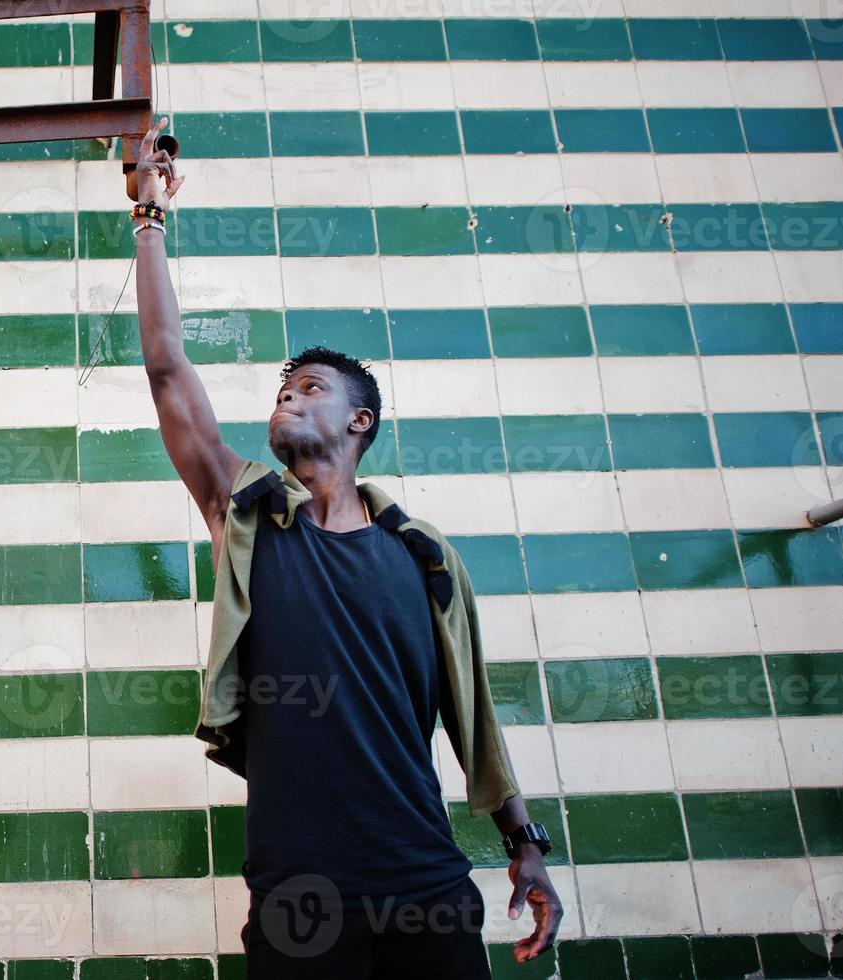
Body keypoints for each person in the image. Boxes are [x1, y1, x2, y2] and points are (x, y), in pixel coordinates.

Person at [129, 117, 563, 978]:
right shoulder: (246, 514)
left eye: (309, 388)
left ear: (357, 422)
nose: (286, 397)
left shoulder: (423, 557)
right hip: (298, 889)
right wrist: (148, 217)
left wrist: (524, 841)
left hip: (425, 877)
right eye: (281, 389)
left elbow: (470, 710)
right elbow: (166, 365)